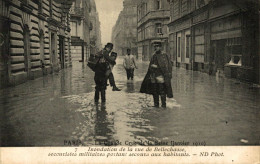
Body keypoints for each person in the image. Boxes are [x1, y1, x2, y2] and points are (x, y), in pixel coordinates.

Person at [140, 40, 173, 108]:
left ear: (161, 47)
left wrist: (168, 75)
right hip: (154, 76)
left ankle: (163, 106)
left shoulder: (164, 55)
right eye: (155, 46)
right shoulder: (153, 55)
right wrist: (152, 69)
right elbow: (150, 66)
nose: (156, 48)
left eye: (157, 46)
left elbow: (168, 66)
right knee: (155, 92)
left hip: (161, 77)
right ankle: (156, 105)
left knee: (162, 91)